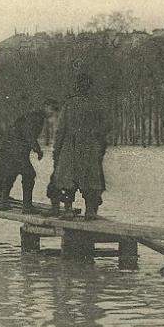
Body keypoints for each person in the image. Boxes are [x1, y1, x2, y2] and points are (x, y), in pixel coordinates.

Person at [50, 73, 109, 220]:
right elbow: (104, 128)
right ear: (90, 87)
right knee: (90, 180)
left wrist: (56, 150)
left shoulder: (69, 105)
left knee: (68, 180)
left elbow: (60, 129)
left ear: (77, 87)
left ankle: (68, 210)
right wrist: (100, 149)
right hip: (90, 148)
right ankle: (90, 211)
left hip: (71, 148)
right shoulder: (96, 105)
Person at [0, 99, 59, 214]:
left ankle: (3, 202)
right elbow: (28, 134)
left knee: (11, 173)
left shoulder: (33, 115)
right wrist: (38, 150)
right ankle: (27, 206)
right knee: (29, 175)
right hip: (17, 149)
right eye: (52, 109)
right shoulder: (37, 117)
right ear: (45, 106)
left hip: (10, 148)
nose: (52, 113)